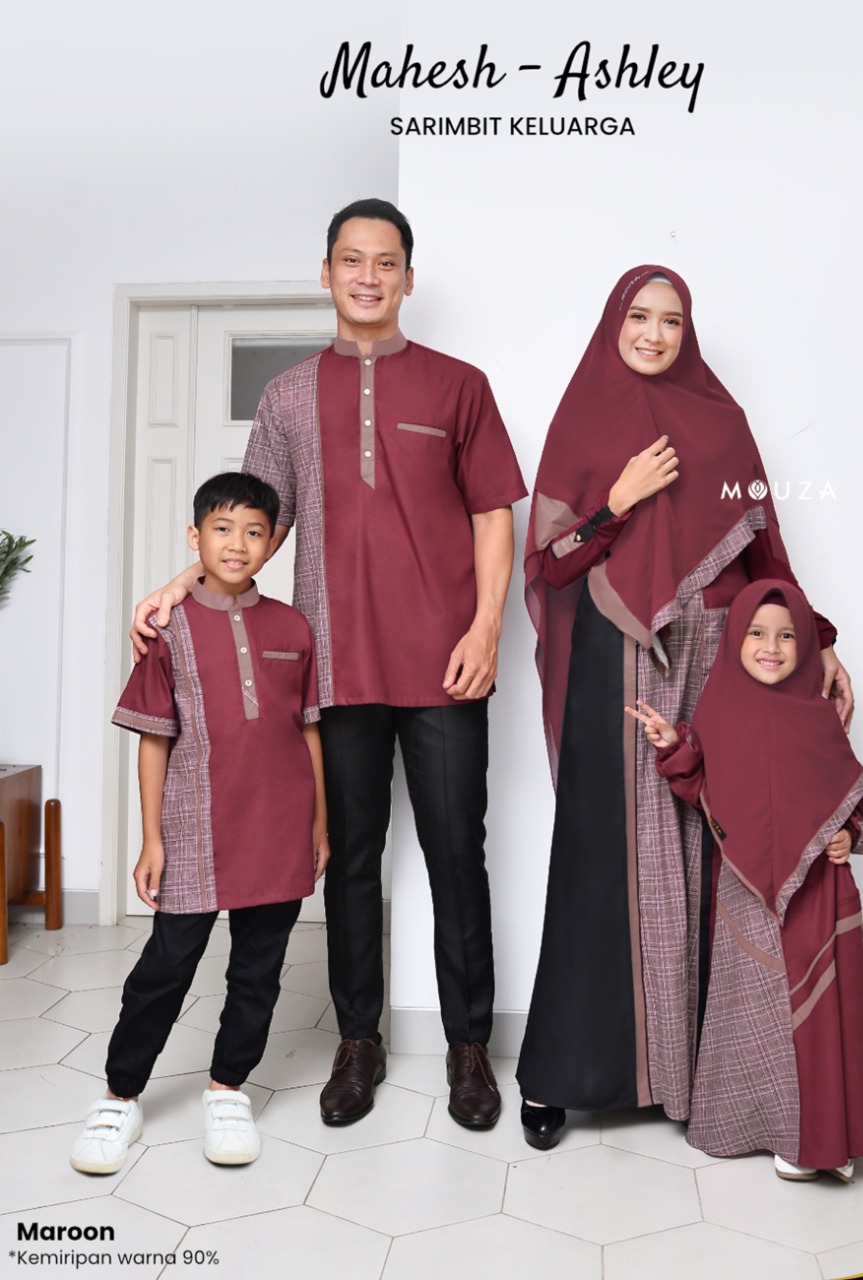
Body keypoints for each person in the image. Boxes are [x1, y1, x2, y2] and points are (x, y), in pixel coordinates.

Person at [131, 199, 527, 1130]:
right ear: (327, 273)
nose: (368, 276)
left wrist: (485, 631)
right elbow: (253, 526)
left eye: (386, 262)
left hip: (444, 666)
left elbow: (493, 514)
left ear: (408, 278)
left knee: (456, 858)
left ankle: (469, 1048)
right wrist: (178, 584)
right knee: (349, 862)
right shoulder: (288, 396)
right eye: (352, 260)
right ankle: (358, 1042)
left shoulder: (460, 385)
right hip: (334, 669)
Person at [517, 265, 853, 1151]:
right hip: (618, 657)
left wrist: (818, 641)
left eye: (671, 320)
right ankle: (564, 1074)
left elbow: (766, 545)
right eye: (640, 316)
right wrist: (617, 502)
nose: (655, 334)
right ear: (614, 322)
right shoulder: (582, 419)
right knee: (603, 855)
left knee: (717, 844)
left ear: (688, 331)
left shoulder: (723, 422)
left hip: (717, 659)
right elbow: (549, 563)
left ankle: (707, 1076)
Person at [72, 472, 328, 1174]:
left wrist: (319, 824)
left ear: (272, 543)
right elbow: (153, 741)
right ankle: (120, 1095)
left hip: (280, 827)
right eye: (222, 528)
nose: (238, 543)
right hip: (194, 827)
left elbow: (309, 731)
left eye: (254, 531)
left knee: (258, 971)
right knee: (165, 967)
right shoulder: (167, 629)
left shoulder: (294, 627)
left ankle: (228, 1088)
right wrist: (152, 838)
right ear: (195, 537)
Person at [630, 579, 863, 1181]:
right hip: (745, 892)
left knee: (817, 1006)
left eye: (787, 636)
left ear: (805, 648)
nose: (771, 647)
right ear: (735, 640)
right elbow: (706, 791)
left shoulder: (819, 719)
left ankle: (828, 1138)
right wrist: (673, 747)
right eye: (756, 633)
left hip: (816, 892)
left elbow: (847, 796)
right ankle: (771, 1130)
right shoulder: (717, 712)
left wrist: (851, 836)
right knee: (755, 1011)